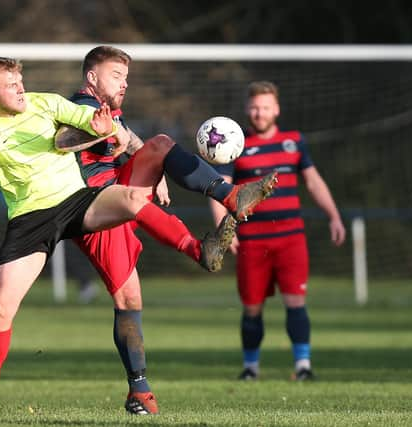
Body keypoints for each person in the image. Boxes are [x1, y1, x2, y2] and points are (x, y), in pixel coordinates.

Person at [0, 54, 244, 416]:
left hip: (77, 200)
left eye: (19, 80)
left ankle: (199, 250)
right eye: (10, 85)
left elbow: (89, 121)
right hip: (30, 219)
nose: (20, 88)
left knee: (135, 199)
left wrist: (103, 123)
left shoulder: (47, 102)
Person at [56, 45, 278, 414]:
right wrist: (111, 135)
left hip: (119, 195)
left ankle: (231, 197)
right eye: (116, 76)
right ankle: (201, 245)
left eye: (127, 78)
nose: (124, 84)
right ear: (92, 78)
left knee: (158, 144)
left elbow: (128, 139)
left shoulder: (111, 112)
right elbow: (62, 141)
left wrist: (148, 164)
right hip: (92, 210)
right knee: (128, 300)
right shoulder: (78, 107)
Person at [209, 81, 346, 382]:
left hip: (290, 239)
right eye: (255, 107)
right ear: (247, 109)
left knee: (296, 302)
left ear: (277, 109)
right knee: (252, 308)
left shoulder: (294, 141)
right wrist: (225, 232)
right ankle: (250, 368)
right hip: (253, 242)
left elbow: (314, 182)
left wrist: (334, 216)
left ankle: (303, 367)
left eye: (265, 107)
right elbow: (218, 190)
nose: (259, 113)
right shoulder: (236, 144)